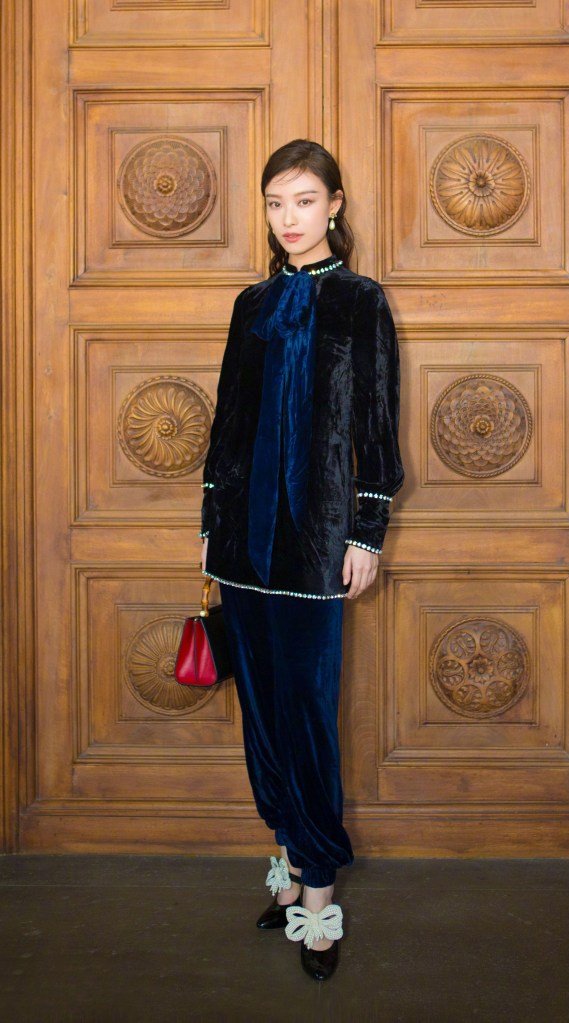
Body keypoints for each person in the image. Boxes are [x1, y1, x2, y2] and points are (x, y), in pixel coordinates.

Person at [199, 139, 404, 981]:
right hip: (242, 547)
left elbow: (376, 425)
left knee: (309, 714)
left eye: (305, 201)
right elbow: (227, 422)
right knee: (263, 715)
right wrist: (211, 525)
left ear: (335, 206)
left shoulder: (360, 300)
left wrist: (366, 532)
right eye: (276, 203)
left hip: (317, 544)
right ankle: (286, 861)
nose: (290, 218)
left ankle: (319, 894)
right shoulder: (250, 303)